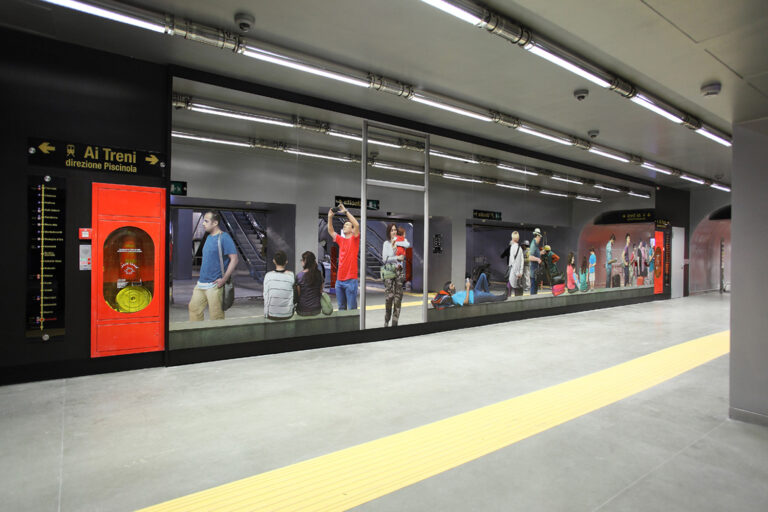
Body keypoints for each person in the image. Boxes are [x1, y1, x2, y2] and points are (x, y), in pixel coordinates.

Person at [188, 211, 239, 321]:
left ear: (215, 223)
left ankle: (217, 338)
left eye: (206, 221)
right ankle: (197, 334)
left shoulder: (224, 237)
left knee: (216, 316)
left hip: (215, 285)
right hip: (201, 283)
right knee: (194, 309)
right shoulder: (208, 237)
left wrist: (224, 279)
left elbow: (234, 259)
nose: (203, 224)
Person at [327, 203, 360, 309]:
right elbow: (331, 231)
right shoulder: (341, 240)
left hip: (351, 280)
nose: (344, 226)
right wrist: (329, 217)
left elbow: (357, 225)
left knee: (351, 309)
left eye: (347, 225)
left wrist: (346, 212)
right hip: (339, 280)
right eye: (344, 225)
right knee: (341, 308)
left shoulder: (355, 239)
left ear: (351, 229)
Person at [381, 223, 410, 327]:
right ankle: (386, 320)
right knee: (389, 297)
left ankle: (395, 322)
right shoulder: (386, 244)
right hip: (389, 272)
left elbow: (407, 244)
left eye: (395, 230)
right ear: (389, 232)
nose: (394, 232)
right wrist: (396, 258)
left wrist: (399, 241)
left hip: (399, 271)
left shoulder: (401, 242)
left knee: (398, 298)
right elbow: (385, 259)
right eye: (392, 230)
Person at [263, 250, 295, 320]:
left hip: (271, 314)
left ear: (274, 261)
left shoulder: (268, 276)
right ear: (286, 261)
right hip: (287, 314)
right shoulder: (291, 275)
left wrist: (266, 313)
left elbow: (266, 295)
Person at [296, 251, 323, 316]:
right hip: (316, 309)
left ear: (305, 261)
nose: (301, 262)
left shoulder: (299, 276)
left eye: (302, 260)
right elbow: (320, 291)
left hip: (303, 309)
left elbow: (298, 294)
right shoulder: (319, 274)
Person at [507, 231, 524, 297]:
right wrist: (521, 272)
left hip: (514, 272)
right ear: (518, 238)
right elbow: (522, 261)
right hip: (519, 273)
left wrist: (517, 273)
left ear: (512, 238)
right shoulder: (520, 248)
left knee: (509, 288)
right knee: (517, 290)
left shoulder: (512, 247)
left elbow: (512, 262)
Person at [529, 228, 543, 295]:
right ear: (537, 236)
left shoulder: (536, 245)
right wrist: (538, 259)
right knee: (533, 289)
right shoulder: (533, 245)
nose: (540, 238)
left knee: (535, 289)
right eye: (540, 237)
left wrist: (541, 253)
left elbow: (535, 254)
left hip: (535, 272)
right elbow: (530, 257)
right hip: (533, 272)